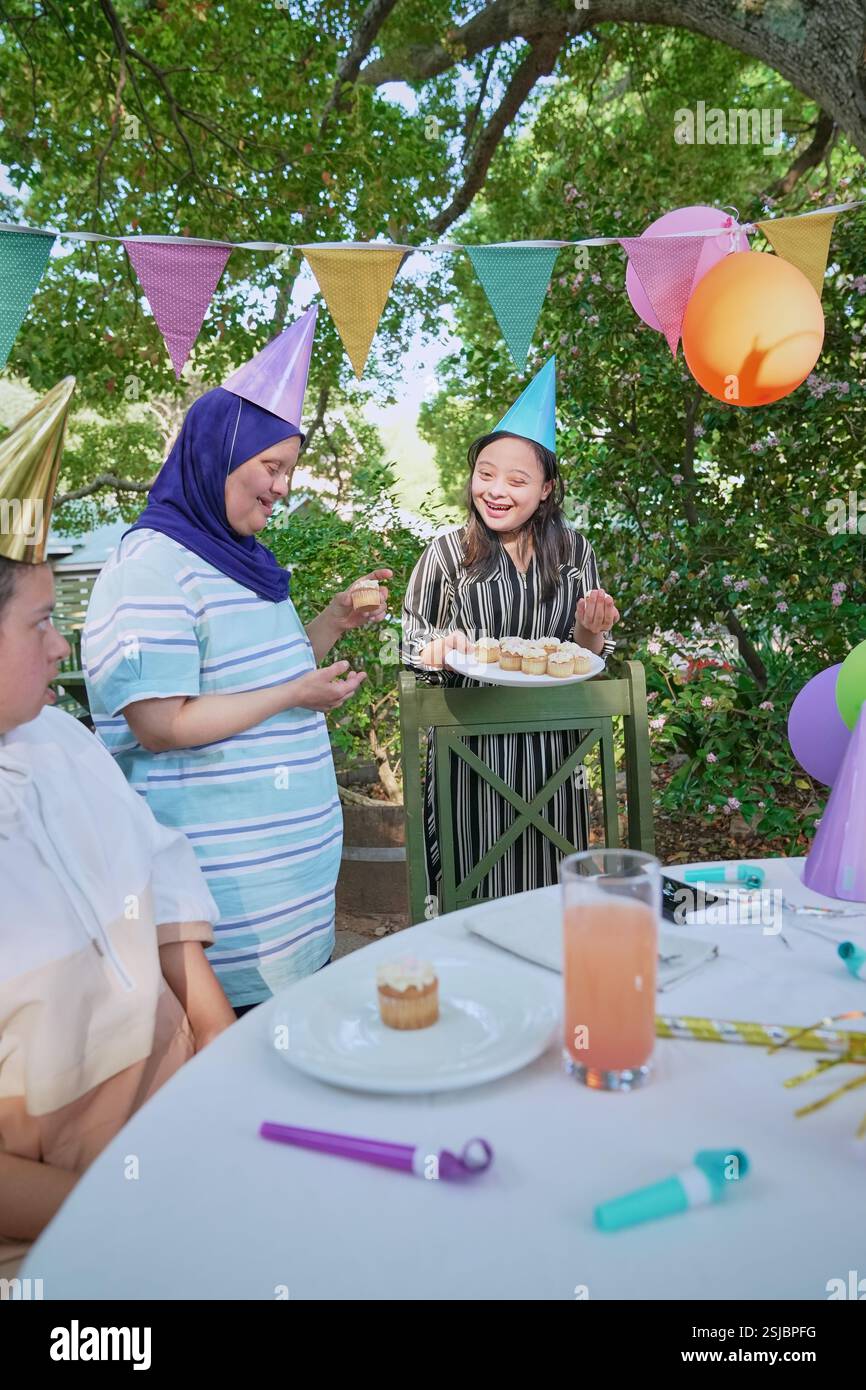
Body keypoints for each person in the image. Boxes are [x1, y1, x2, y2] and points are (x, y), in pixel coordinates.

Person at [83, 308, 391, 1013]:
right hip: (218, 922)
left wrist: (333, 622)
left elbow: (266, 677)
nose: (282, 486)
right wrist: (291, 697)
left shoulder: (243, 561)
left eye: (289, 469)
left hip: (287, 916)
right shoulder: (152, 565)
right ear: (219, 454)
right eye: (271, 466)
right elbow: (160, 723)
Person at [0, 379, 234, 1271]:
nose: (62, 645)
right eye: (38, 623)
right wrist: (129, 1211)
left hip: (180, 1128)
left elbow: (158, 869)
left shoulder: (58, 738)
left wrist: (218, 1039)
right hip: (60, 1224)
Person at [401, 358, 621, 906]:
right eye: (485, 474)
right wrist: (438, 650)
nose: (496, 491)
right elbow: (407, 641)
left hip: (554, 753)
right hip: (469, 752)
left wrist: (590, 631)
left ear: (546, 488)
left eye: (517, 480)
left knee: (549, 889)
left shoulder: (576, 554)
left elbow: (586, 657)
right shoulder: (447, 554)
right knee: (469, 885)